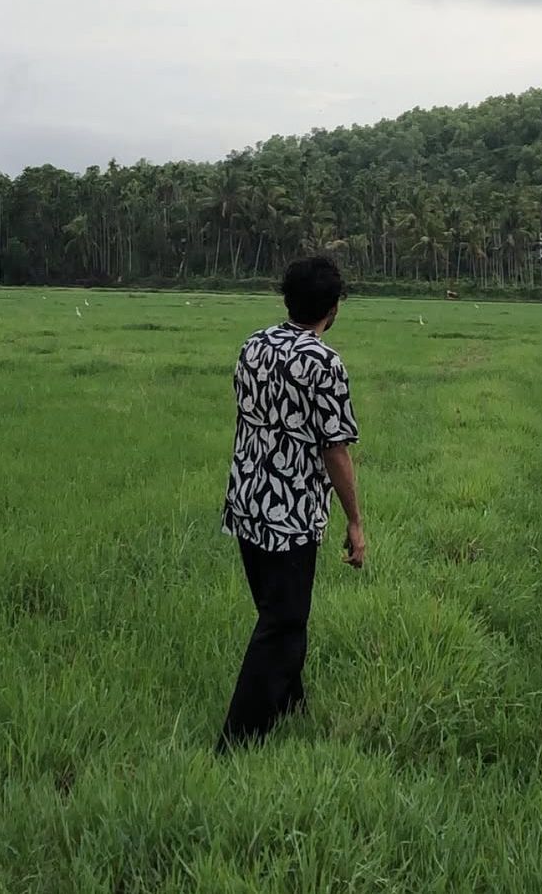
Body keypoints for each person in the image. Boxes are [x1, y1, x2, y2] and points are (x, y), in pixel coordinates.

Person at [216, 255, 365, 753]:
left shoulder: (253, 345)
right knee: (283, 624)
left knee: (277, 612)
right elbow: (336, 448)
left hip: (246, 501)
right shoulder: (325, 362)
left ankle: (290, 706)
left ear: (287, 298)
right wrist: (356, 521)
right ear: (334, 307)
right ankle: (237, 740)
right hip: (289, 513)